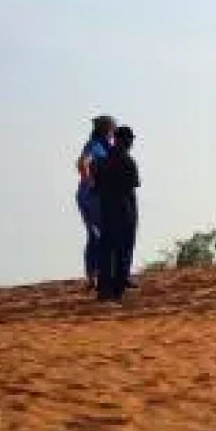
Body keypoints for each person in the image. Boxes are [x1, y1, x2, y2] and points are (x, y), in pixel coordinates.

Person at [94, 126, 140, 302]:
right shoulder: (128, 161)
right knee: (123, 250)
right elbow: (132, 188)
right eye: (130, 139)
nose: (131, 143)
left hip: (106, 211)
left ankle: (104, 290)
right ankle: (117, 290)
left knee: (107, 250)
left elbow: (96, 188)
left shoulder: (103, 162)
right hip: (124, 210)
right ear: (123, 140)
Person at [75, 116, 115, 289]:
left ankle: (93, 276)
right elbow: (82, 162)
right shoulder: (95, 145)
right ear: (108, 130)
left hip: (89, 195)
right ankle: (100, 275)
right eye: (113, 129)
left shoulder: (101, 145)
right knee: (103, 234)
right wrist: (89, 180)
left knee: (95, 235)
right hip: (93, 196)